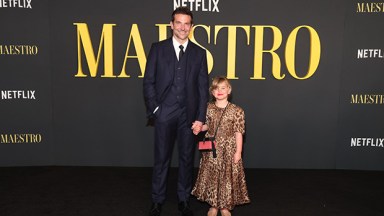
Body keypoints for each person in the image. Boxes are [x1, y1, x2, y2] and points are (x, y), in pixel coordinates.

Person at [143, 6, 209, 216]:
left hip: (188, 116)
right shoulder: (157, 48)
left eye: (186, 23)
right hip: (165, 112)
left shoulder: (199, 53)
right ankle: (157, 200)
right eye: (178, 23)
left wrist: (200, 117)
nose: (182, 27)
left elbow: (202, 89)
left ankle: (183, 199)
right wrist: (155, 108)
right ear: (171, 25)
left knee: (187, 159)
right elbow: (148, 82)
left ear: (191, 26)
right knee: (161, 158)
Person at [191, 76, 250, 216]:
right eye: (216, 88)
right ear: (212, 92)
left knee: (226, 179)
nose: (220, 91)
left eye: (223, 88)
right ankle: (213, 206)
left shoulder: (237, 111)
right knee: (212, 176)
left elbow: (238, 133)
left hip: (229, 150)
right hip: (211, 149)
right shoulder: (207, 108)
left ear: (229, 90)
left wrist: (238, 152)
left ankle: (224, 207)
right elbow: (208, 126)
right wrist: (199, 128)